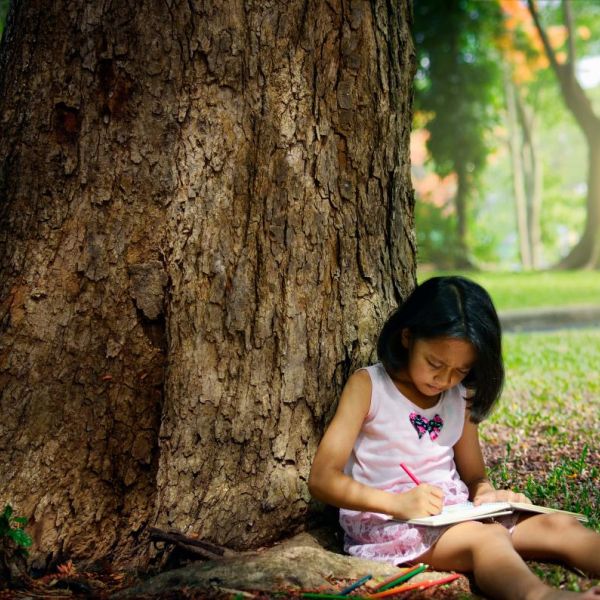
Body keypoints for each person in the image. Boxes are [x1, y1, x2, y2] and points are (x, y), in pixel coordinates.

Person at [309, 276, 600, 600]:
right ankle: (540, 596)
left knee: (556, 526)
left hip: (456, 512)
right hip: (388, 521)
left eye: (460, 370)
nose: (445, 379)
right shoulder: (369, 387)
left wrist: (487, 493)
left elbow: (474, 475)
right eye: (435, 363)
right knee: (487, 541)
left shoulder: (458, 396)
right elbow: (322, 478)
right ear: (407, 337)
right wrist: (396, 503)